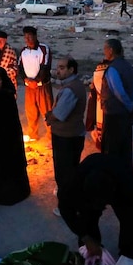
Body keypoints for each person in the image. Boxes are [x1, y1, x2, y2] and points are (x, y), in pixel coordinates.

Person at [58, 153, 133, 261]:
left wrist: (131, 258)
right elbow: (65, 209)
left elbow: (132, 223)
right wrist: (85, 237)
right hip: (88, 181)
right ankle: (91, 253)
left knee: (130, 222)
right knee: (87, 217)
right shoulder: (73, 183)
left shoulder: (128, 186)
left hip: (118, 182)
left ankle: (128, 260)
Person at [0, 67, 31, 205]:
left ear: (3, 81)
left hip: (2, 138)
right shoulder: (5, 95)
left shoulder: (1, 97)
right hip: (3, 137)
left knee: (2, 164)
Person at [46, 56, 87, 216]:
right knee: (70, 170)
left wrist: (50, 117)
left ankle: (66, 207)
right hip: (71, 134)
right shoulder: (73, 85)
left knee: (64, 173)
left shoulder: (71, 89)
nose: (58, 70)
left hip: (66, 137)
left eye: (62, 67)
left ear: (71, 70)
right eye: (58, 67)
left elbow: (60, 114)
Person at [100, 39, 133, 170]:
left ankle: (113, 179)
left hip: (114, 114)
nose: (104, 52)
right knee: (125, 148)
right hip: (126, 115)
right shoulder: (128, 66)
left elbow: (119, 92)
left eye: (105, 49)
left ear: (111, 50)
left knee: (112, 149)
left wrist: (129, 106)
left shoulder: (113, 69)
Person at [18, 26, 53, 140]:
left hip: (42, 86)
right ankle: (33, 135)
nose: (28, 39)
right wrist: (26, 80)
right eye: (25, 36)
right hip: (29, 87)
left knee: (47, 111)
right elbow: (20, 68)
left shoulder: (44, 49)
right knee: (31, 112)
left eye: (30, 36)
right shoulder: (23, 51)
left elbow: (45, 67)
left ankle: (51, 136)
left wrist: (36, 80)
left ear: (35, 36)